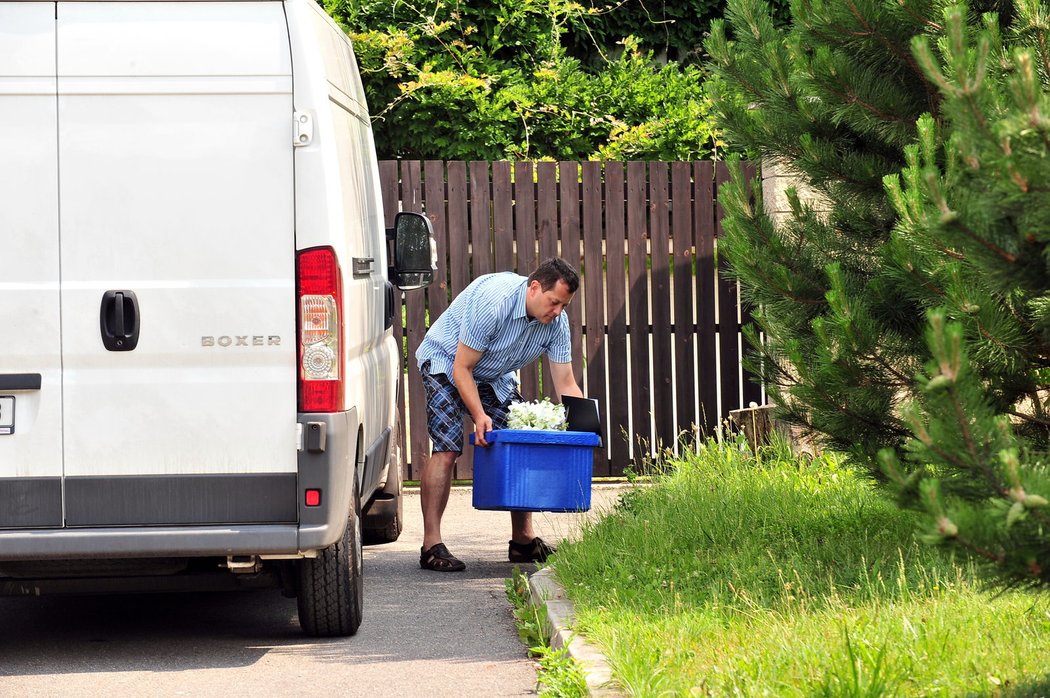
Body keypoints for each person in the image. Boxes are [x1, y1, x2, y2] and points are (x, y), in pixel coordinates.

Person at [415, 257, 584, 572]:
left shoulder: (555, 324)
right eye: (554, 302)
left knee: (521, 441)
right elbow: (462, 368)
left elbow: (565, 382)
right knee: (448, 447)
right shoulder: (496, 302)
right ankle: (431, 544)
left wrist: (587, 427)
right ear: (534, 287)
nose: (558, 311)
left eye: (564, 305)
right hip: (446, 362)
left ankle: (522, 542)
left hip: (493, 376)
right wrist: (479, 415)